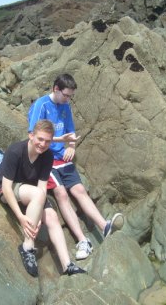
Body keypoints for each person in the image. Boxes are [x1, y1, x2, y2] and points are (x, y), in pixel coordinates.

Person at [28, 73, 124, 260]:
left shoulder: (65, 106)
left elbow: (70, 131)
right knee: (61, 194)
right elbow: (33, 135)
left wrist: (71, 146)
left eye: (71, 96)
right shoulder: (41, 105)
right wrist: (60, 139)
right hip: (45, 158)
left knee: (79, 189)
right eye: (66, 95)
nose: (68, 99)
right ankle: (82, 240)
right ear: (56, 89)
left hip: (62, 158)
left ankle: (104, 226)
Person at [0, 119, 86, 277]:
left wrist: (40, 209)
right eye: (40, 139)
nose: (42, 144)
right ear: (31, 135)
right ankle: (27, 247)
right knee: (37, 195)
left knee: (52, 216)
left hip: (31, 191)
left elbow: (42, 187)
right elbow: (7, 188)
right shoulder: (15, 151)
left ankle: (67, 265)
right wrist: (21, 217)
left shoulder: (47, 156)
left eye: (47, 141)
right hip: (6, 188)